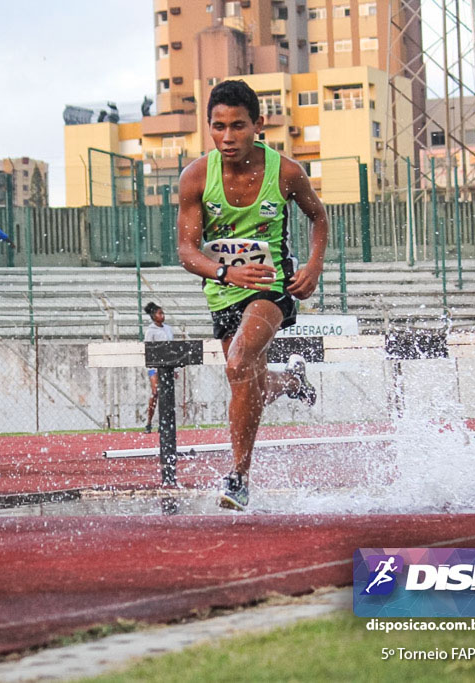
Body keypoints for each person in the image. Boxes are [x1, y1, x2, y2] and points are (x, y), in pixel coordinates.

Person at [176, 80, 328, 511]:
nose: (227, 137)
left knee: (238, 362)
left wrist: (313, 266)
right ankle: (294, 380)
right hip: (224, 292)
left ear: (258, 125)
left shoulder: (286, 172)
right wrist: (227, 273)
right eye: (218, 127)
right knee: (251, 386)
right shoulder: (195, 177)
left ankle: (239, 477)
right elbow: (187, 251)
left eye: (238, 126)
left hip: (270, 288)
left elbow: (318, 217)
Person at [142, 302, 174, 434]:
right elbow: (149, 350)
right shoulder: (150, 331)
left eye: (163, 313)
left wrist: (174, 368)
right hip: (155, 366)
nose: (162, 315)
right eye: (160, 313)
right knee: (155, 393)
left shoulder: (168, 329)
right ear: (153, 316)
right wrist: (152, 369)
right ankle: (149, 422)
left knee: (166, 394)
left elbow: (172, 349)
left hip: (167, 366)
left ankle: (163, 422)